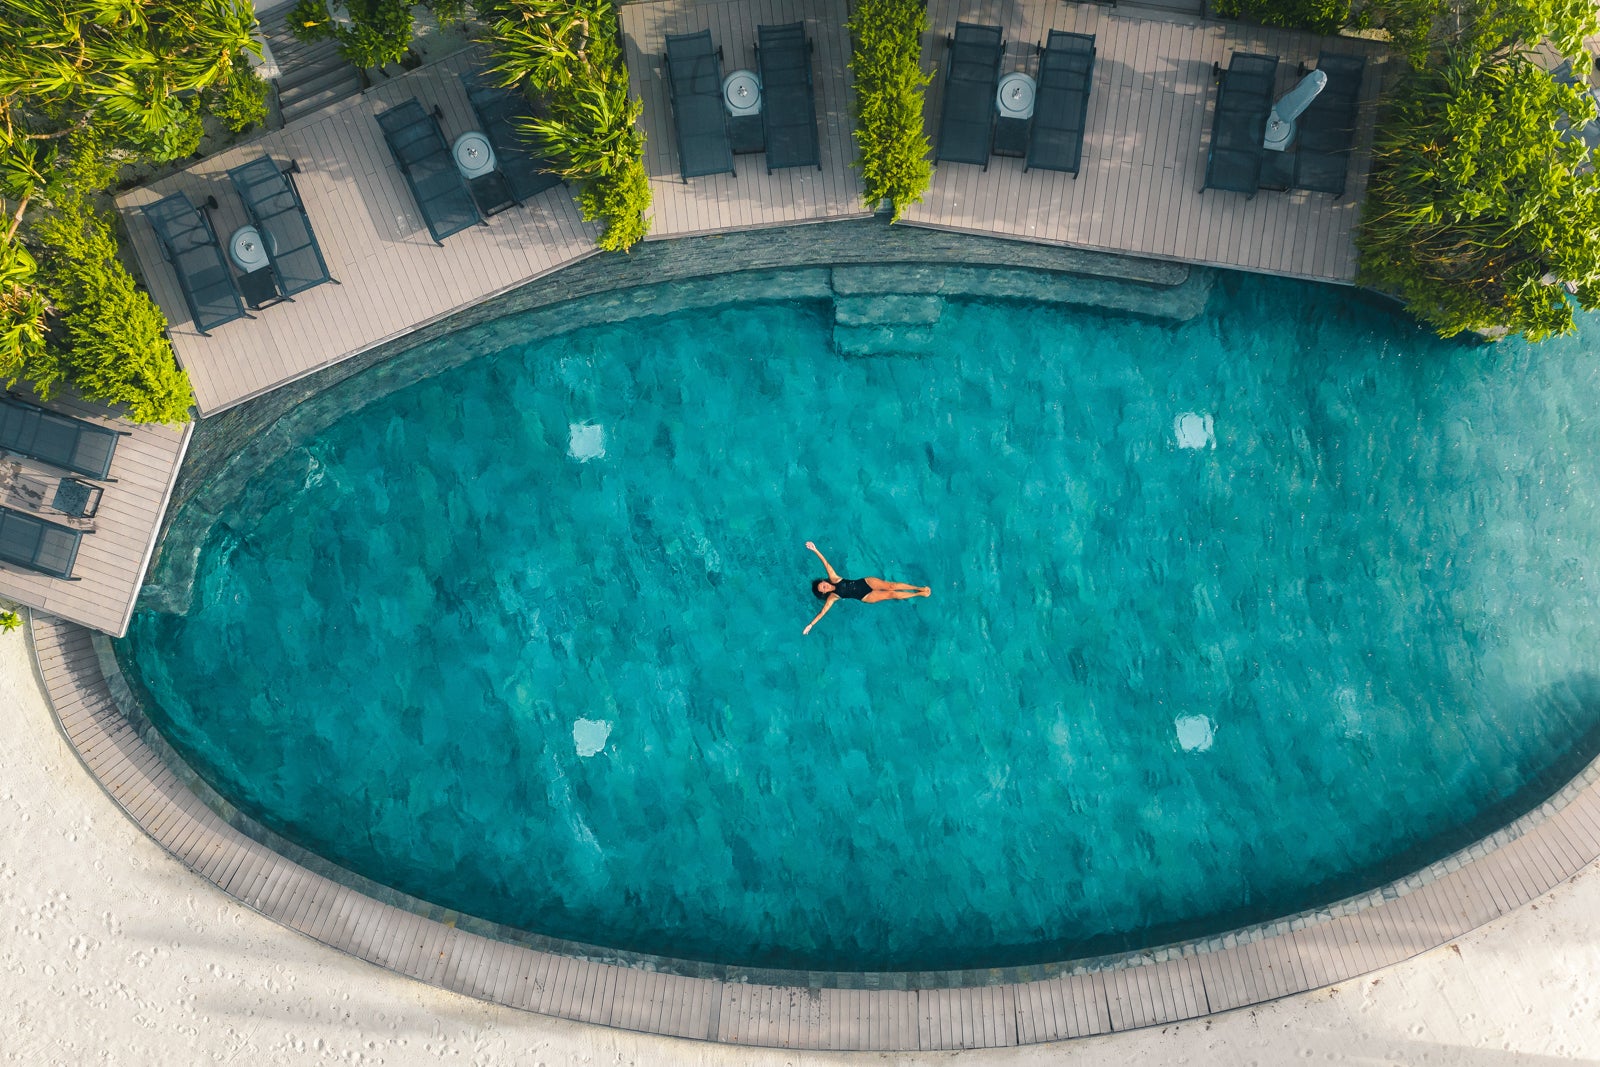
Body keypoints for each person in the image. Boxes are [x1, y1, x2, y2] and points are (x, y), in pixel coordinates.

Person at [802, 541, 930, 635]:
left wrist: (815, 549)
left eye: (823, 585)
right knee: (892, 594)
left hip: (866, 582)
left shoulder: (834, 578)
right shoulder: (832, 597)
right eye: (823, 589)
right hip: (865, 596)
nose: (825, 587)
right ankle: (918, 594)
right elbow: (822, 612)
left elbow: (825, 563)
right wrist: (811, 625)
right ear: (824, 593)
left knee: (891, 586)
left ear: (824, 581)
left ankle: (918, 588)